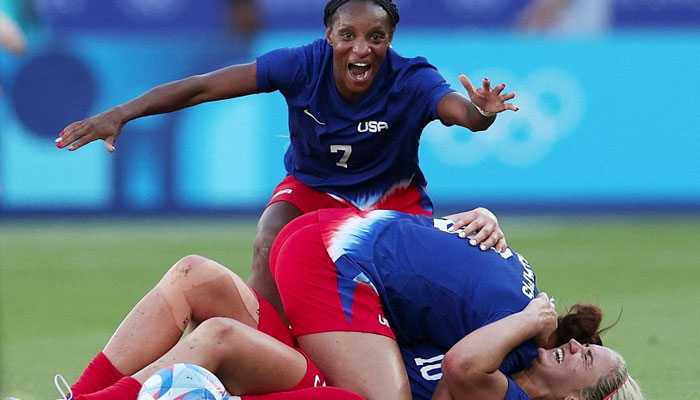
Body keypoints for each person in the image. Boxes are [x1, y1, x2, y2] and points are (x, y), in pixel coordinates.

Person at [54, 0, 518, 319]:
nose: (361, 48)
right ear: (329, 35)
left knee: (406, 288)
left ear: (390, 37)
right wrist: (121, 114)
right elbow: (202, 86)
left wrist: (481, 113)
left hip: (391, 201)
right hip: (314, 189)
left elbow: (460, 114)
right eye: (348, 35)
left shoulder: (412, 77)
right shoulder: (299, 64)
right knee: (269, 237)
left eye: (375, 37)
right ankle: (263, 345)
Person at [270, 208, 645, 400]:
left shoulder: (514, 325)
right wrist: (531, 320)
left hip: (322, 234)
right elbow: (461, 368)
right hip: (330, 259)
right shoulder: (516, 336)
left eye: (588, 357)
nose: (578, 346)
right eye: (588, 351)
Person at [57, 254, 363, 400]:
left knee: (219, 335)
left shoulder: (398, 227)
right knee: (193, 274)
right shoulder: (315, 183)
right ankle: (78, 395)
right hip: (305, 357)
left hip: (340, 391)